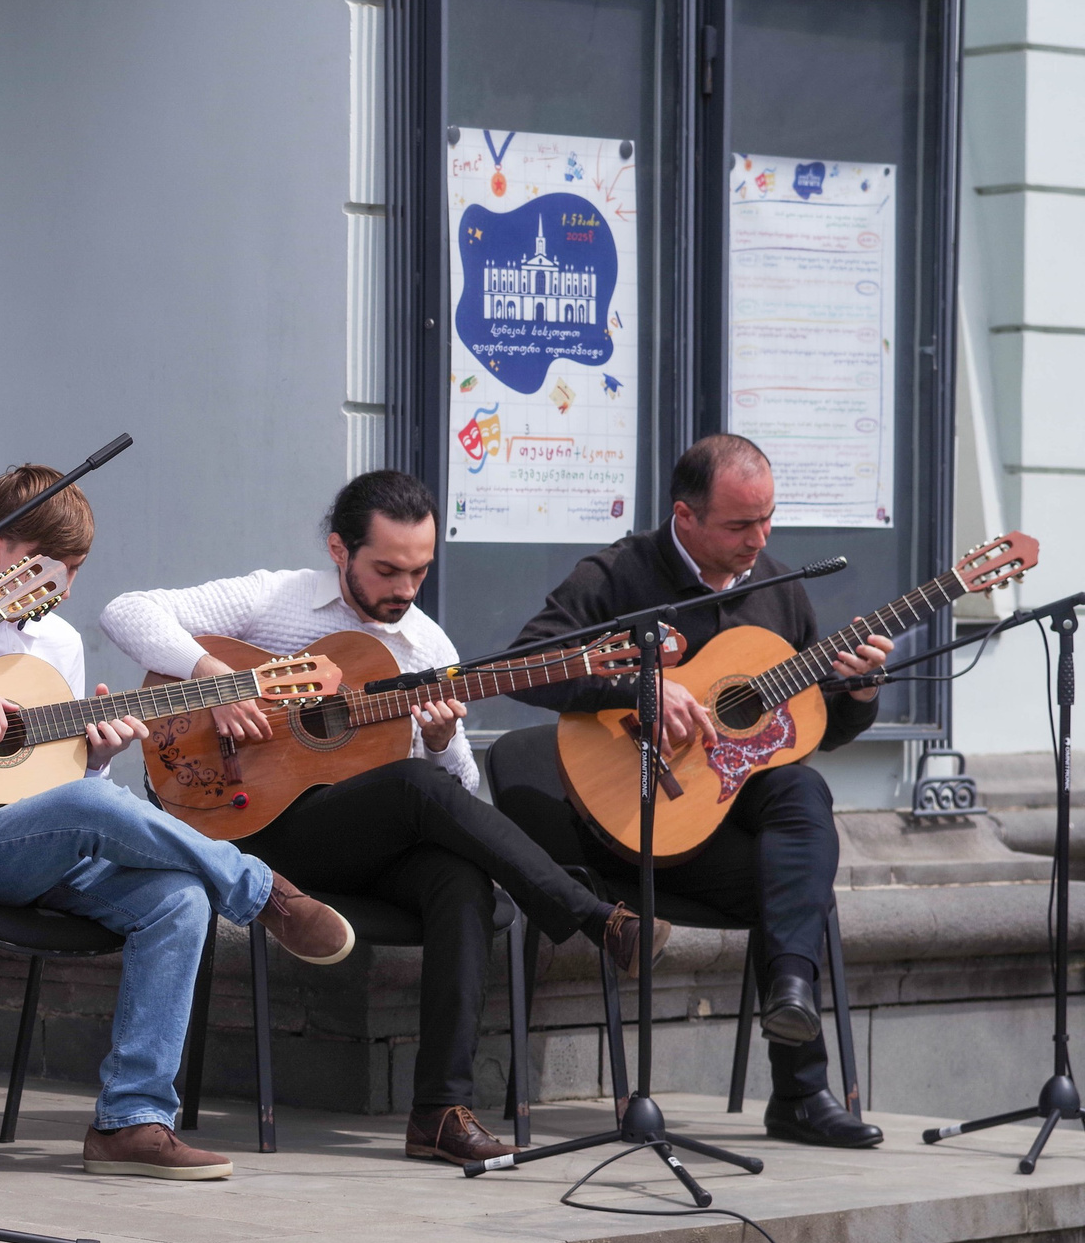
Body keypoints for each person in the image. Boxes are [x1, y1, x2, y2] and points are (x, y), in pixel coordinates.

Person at [99, 470, 660, 1165]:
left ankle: (440, 1112)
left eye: (419, 571)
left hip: (355, 839)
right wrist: (220, 679)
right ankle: (590, 914)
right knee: (413, 789)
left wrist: (436, 738)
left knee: (460, 877)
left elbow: (459, 794)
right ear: (340, 549)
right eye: (387, 568)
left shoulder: (429, 649)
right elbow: (126, 610)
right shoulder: (278, 600)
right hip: (255, 831)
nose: (404, 588)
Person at [0, 468, 353, 1178]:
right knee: (95, 809)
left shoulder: (60, 645)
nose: (64, 590)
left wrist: (99, 759)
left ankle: (132, 1119)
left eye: (75, 572)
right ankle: (265, 893)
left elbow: (63, 788)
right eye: (49, 570)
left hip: (43, 847)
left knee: (179, 896)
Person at [508, 434, 887, 1149]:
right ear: (685, 517)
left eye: (769, 519)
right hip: (635, 820)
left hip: (728, 820)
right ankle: (802, 1090)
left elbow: (811, 730)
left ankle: (791, 1007)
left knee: (802, 792)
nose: (760, 539)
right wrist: (638, 687)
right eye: (740, 525)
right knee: (800, 892)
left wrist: (859, 694)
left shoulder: (775, 583)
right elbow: (527, 662)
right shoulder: (619, 573)